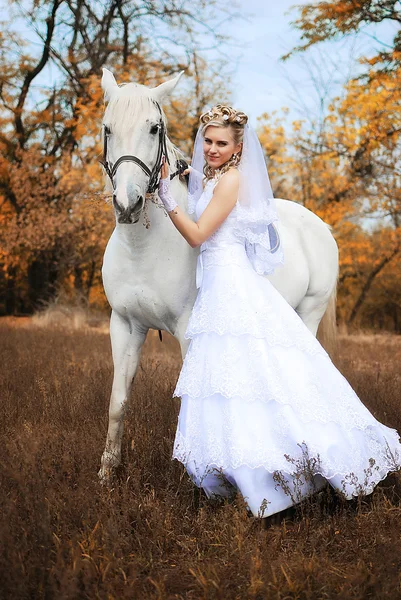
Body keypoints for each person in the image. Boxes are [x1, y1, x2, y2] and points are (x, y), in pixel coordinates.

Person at [157, 104, 401, 519]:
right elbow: (205, 193)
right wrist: (187, 176)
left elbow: (198, 236)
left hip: (233, 287)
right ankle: (230, 472)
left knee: (254, 376)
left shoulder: (232, 180)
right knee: (227, 381)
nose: (212, 149)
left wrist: (168, 199)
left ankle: (278, 475)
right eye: (208, 142)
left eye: (221, 144)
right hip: (216, 289)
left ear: (237, 149)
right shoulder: (215, 178)